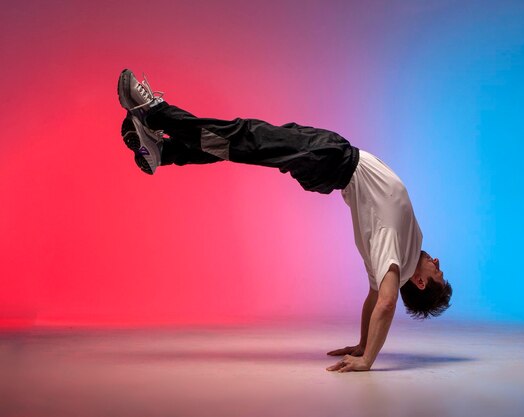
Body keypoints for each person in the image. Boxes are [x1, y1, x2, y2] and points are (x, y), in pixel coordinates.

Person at [117, 69, 453, 372]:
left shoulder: (394, 257)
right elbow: (374, 297)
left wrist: (367, 359)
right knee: (247, 144)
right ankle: (164, 152)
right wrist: (362, 343)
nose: (436, 262)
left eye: (437, 271)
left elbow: (386, 301)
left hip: (331, 158)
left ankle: (155, 114)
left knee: (247, 137)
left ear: (421, 283)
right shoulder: (402, 254)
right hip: (333, 161)